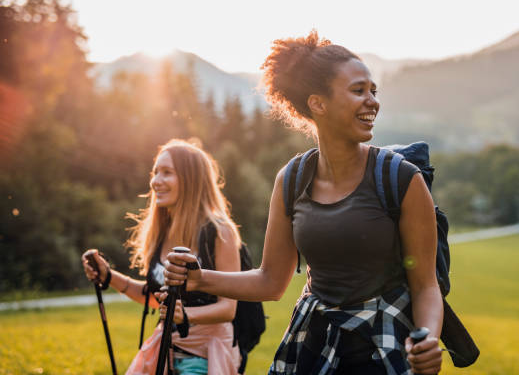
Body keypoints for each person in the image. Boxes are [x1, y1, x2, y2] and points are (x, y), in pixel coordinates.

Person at [164, 31, 443, 374]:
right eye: (358, 91)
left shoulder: (402, 179)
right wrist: (199, 279)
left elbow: (426, 284)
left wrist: (427, 339)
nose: (372, 101)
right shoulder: (292, 180)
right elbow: (270, 280)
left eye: (373, 90)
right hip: (315, 343)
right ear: (318, 104)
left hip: (383, 346)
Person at [81, 139, 242, 375]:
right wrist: (108, 276)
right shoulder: (161, 232)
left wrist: (186, 315)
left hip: (206, 354)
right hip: (164, 347)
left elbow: (228, 308)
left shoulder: (219, 232)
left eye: (167, 173)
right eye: (155, 172)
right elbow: (155, 297)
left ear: (191, 180)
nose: (156, 181)